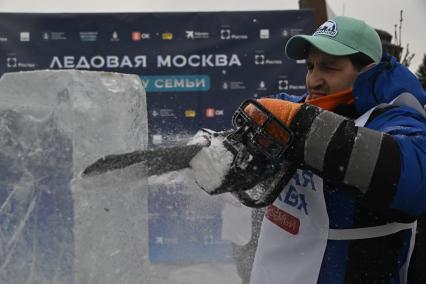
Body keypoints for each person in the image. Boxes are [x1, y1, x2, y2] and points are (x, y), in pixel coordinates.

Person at [245, 16, 426, 284]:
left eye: (329, 68)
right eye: (310, 66)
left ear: (368, 70)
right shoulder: (300, 106)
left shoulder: (396, 117)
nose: (314, 80)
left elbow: (415, 179)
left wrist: (307, 130)